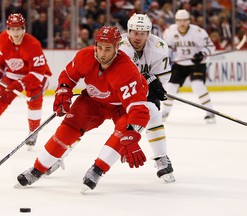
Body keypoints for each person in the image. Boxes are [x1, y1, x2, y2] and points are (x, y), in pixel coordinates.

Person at [16, 26, 150, 193]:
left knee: (124, 135)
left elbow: (138, 109)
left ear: (117, 48)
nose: (102, 53)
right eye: (99, 47)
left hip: (120, 107)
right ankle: (37, 169)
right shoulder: (85, 56)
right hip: (93, 101)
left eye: (108, 49)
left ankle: (97, 170)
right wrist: (63, 91)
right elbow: (68, 75)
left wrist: (133, 134)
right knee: (68, 129)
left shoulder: (126, 69)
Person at [119, 13, 175, 183]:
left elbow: (163, 76)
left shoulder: (158, 46)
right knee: (83, 118)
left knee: (153, 114)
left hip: (141, 92)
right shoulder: (118, 45)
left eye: (143, 33)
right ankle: (58, 153)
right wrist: (143, 79)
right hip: (118, 90)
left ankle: (161, 158)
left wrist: (153, 82)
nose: (138, 37)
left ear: (149, 33)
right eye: (135, 32)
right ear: (128, 31)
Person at [0, 13, 52, 150]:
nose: (16, 33)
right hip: (13, 74)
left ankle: (33, 131)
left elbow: (37, 73)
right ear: (8, 29)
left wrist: (19, 84)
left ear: (24, 29)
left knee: (34, 98)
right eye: (12, 29)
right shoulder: (2, 39)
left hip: (37, 75)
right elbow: (1, 63)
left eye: (19, 29)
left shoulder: (33, 44)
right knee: (1, 97)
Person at [161, 9, 216, 123]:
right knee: (170, 87)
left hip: (197, 63)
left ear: (189, 21)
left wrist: (202, 54)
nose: (182, 23)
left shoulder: (198, 32)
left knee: (197, 85)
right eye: (180, 21)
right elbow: (166, 47)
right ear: (176, 21)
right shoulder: (170, 31)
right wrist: (168, 56)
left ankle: (210, 112)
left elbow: (210, 46)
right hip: (180, 63)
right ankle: (165, 112)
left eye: (185, 20)